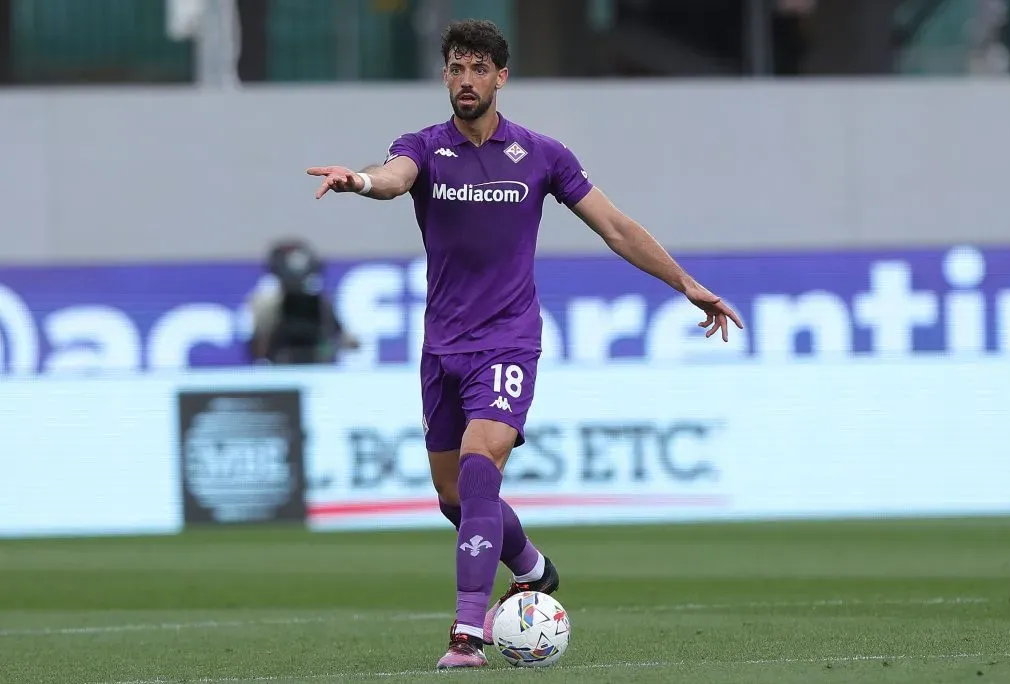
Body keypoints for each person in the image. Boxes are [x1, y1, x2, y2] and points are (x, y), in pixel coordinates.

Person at [306, 19, 743, 670]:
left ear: (500, 78)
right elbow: (393, 176)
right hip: (441, 347)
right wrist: (360, 182)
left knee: (483, 466)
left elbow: (617, 228)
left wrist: (686, 284)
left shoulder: (541, 156)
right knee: (454, 497)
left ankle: (466, 633)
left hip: (508, 341)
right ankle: (532, 566)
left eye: (479, 69)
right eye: (456, 67)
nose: (465, 80)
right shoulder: (424, 148)